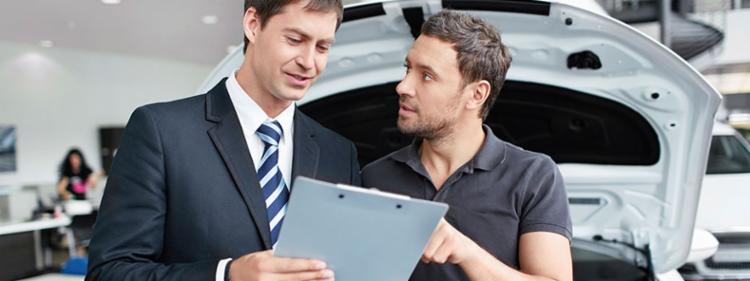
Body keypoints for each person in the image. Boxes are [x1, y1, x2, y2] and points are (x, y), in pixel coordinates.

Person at [86, 1, 359, 280]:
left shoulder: (339, 153)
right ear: (253, 24)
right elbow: (109, 272)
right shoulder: (161, 131)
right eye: (294, 40)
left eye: (323, 47)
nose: (309, 61)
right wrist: (226, 274)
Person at [361, 10, 573, 281]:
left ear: (476, 94)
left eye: (426, 75)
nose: (403, 86)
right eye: (408, 69)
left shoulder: (533, 175)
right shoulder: (375, 177)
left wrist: (466, 251)